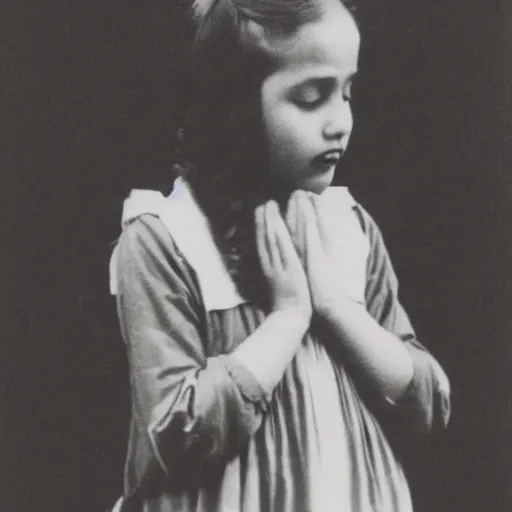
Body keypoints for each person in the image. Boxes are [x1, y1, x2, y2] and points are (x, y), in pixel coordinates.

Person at [109, 0, 451, 510]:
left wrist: (339, 310)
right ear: (237, 108)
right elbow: (174, 433)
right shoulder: (167, 239)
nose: (340, 122)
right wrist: (288, 318)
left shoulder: (349, 229)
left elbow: (428, 404)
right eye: (312, 98)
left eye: (347, 93)